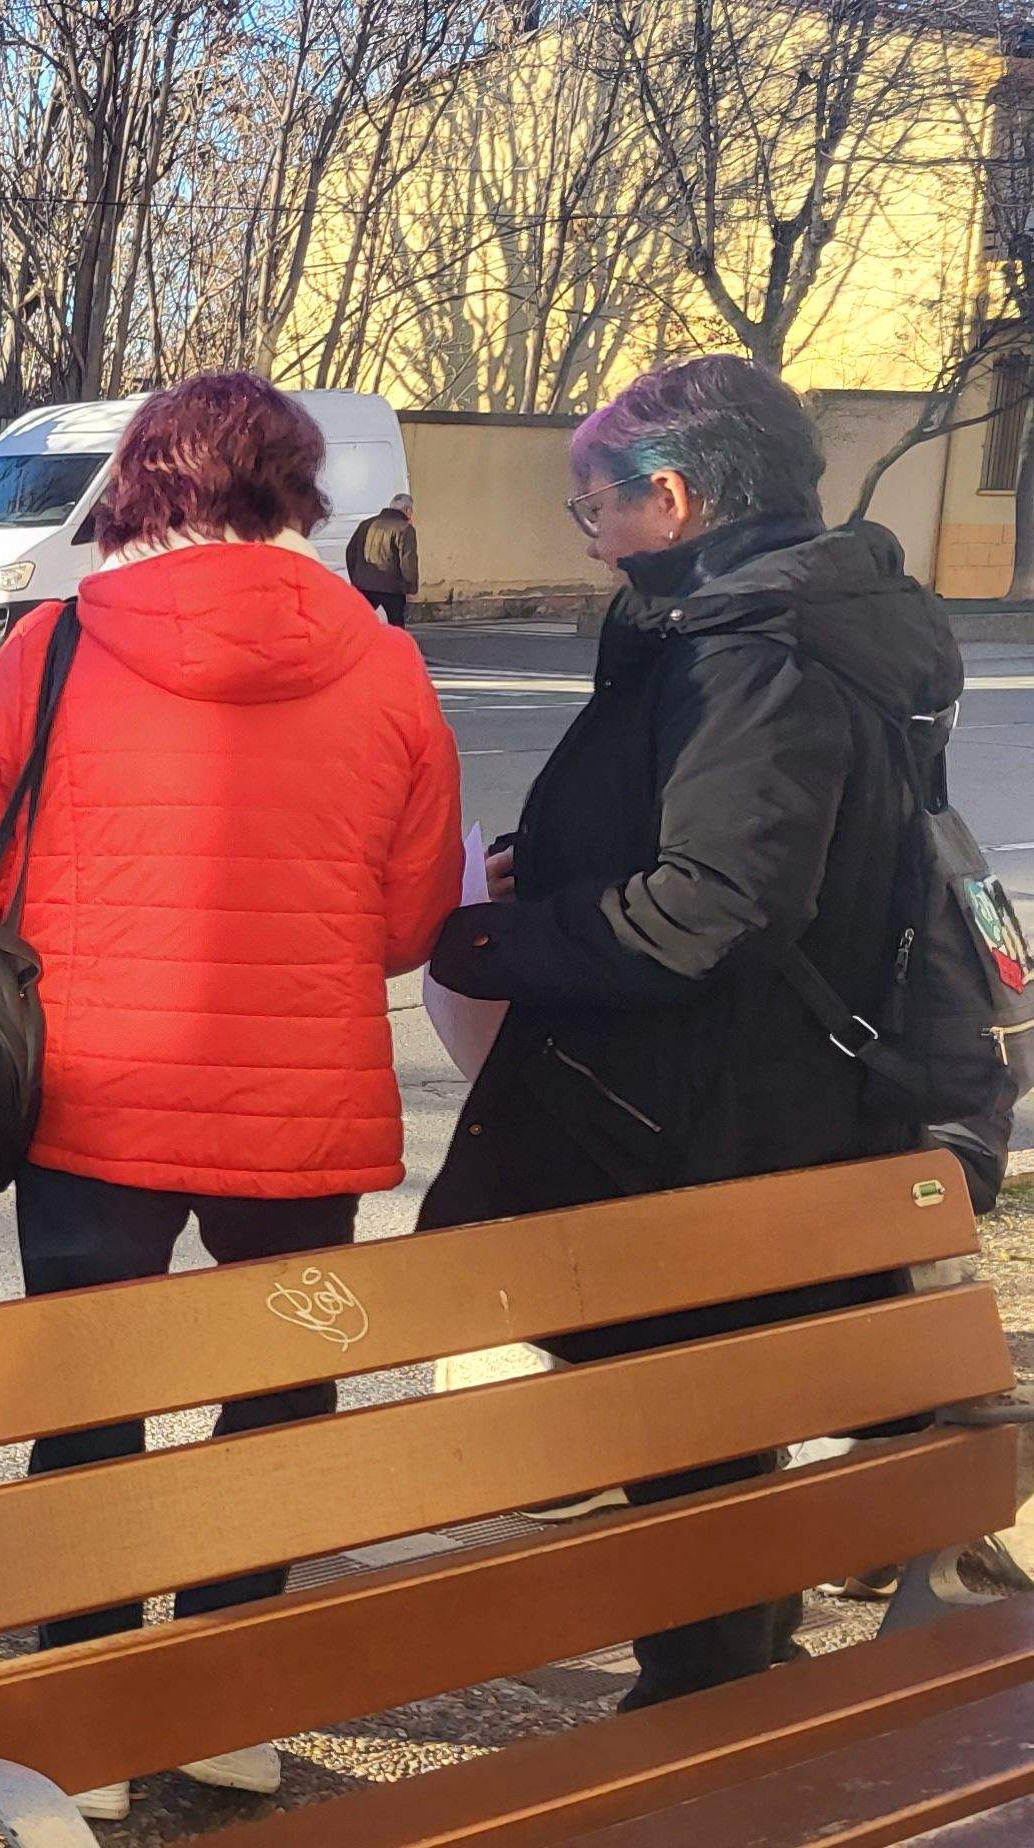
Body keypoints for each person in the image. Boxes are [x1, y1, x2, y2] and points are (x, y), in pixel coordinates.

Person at [0, 372, 459, 1820]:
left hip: (95, 1097)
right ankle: (223, 1701)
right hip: (302, 1105)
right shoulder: (387, 663)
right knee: (277, 1389)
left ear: (144, 482)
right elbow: (412, 924)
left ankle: (79, 1722)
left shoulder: (57, 644)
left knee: (90, 1394)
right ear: (297, 490)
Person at [420, 354, 957, 1711]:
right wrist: (550, 858)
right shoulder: (784, 618)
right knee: (708, 1409)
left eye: (586, 506)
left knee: (692, 1416)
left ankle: (705, 1713)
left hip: (708, 1109)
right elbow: (739, 842)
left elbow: (707, 906)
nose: (581, 535)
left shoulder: (748, 649)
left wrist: (494, 940)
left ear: (670, 499)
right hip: (765, 1093)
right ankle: (726, 1675)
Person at [350, 492, 420, 625]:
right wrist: (410, 588)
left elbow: (351, 552)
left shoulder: (365, 524)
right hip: (392, 588)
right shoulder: (405, 528)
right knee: (396, 626)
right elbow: (408, 561)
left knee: (361, 624)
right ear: (407, 510)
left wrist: (355, 577)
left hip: (364, 585)